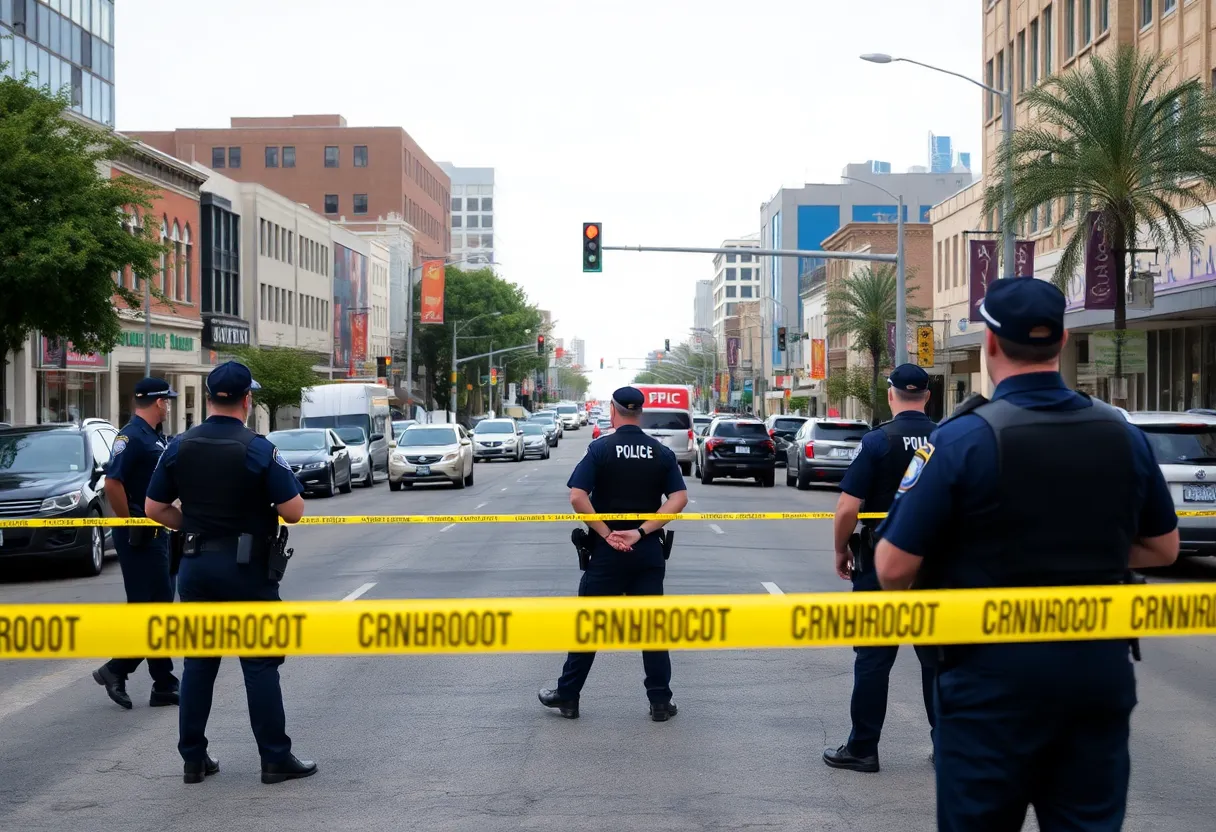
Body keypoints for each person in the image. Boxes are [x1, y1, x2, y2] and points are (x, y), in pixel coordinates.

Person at [874, 278, 1179, 831]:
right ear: (1062, 341)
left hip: (991, 681)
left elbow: (893, 567)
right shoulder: (1122, 435)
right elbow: (1163, 547)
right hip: (1095, 672)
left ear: (990, 345)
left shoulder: (961, 440)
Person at [145, 360, 316, 786]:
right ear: (247, 399)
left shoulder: (179, 445)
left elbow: (153, 509)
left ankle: (193, 759)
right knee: (259, 664)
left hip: (197, 566)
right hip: (247, 569)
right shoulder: (257, 447)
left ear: (208, 398)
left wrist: (195, 525)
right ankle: (275, 759)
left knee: (200, 663)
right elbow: (293, 511)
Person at [539, 386, 688, 721]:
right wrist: (639, 532)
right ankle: (661, 702)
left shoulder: (601, 449)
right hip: (646, 548)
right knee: (653, 628)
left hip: (606, 553)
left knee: (589, 624)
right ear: (640, 412)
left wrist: (607, 534)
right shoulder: (659, 452)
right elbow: (679, 498)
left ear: (614, 410)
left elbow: (578, 497)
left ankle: (568, 696)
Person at [823, 364, 937, 774]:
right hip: (934, 566)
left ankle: (863, 749)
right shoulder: (948, 439)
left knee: (873, 658)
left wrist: (841, 551)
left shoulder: (876, 442)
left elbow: (848, 509)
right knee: (937, 657)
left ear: (891, 395)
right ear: (927, 395)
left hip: (879, 562)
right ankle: (947, 745)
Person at [92, 378, 181, 710]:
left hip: (158, 532)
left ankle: (163, 683)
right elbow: (112, 482)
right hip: (140, 535)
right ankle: (117, 669)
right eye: (167, 401)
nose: (169, 406)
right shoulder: (130, 437)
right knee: (147, 609)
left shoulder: (154, 437)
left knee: (158, 607)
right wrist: (130, 521)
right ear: (158, 403)